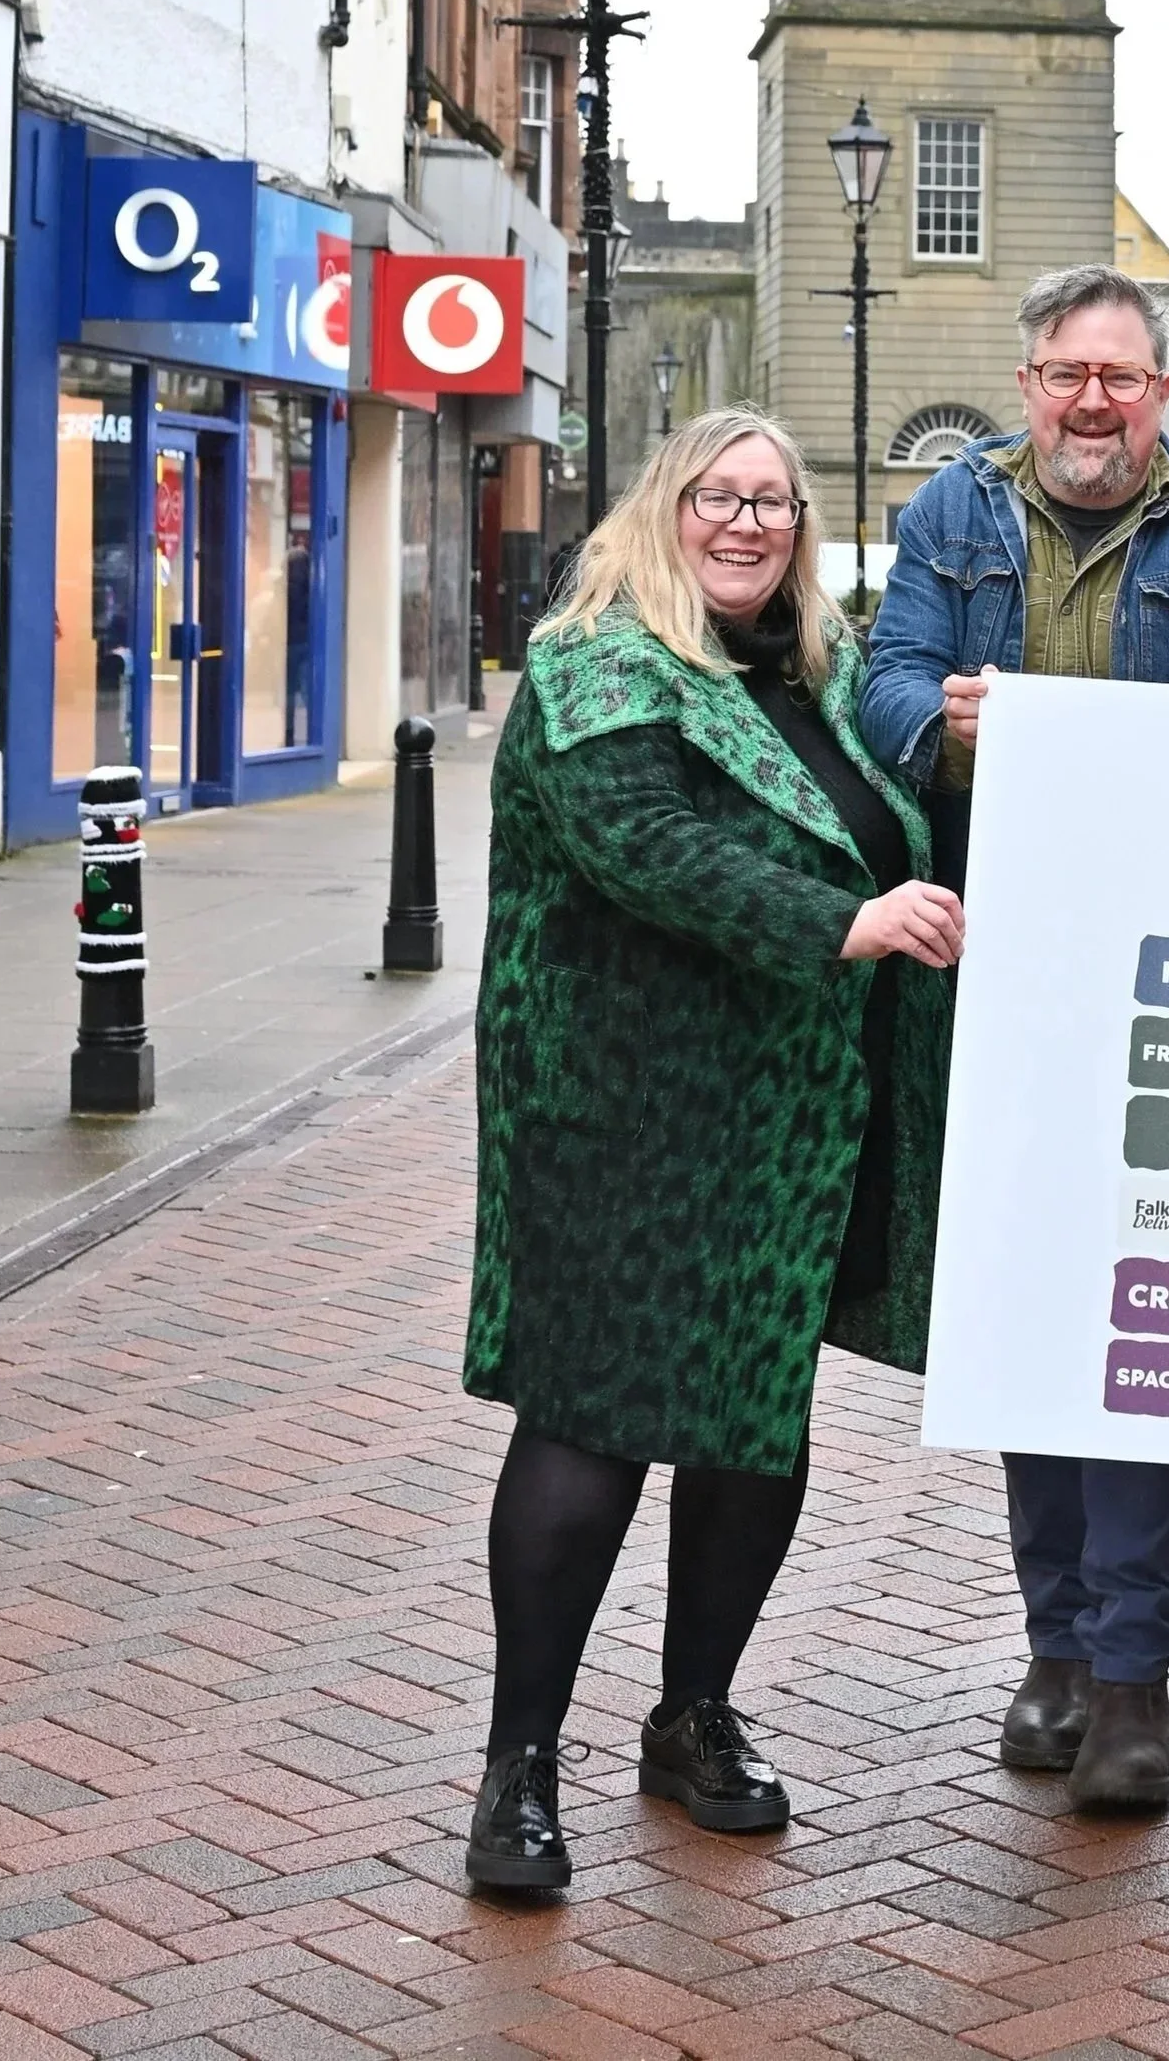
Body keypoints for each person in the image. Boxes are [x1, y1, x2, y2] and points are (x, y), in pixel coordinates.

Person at [461, 411, 961, 1896]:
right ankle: (519, 1763)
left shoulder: (825, 667)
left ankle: (692, 1714)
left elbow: (915, 782)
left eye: (775, 502)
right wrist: (842, 923)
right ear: (662, 507)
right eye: (718, 496)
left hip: (793, 1121)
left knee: (754, 1415)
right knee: (592, 1424)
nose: (747, 523)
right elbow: (647, 847)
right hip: (622, 1113)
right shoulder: (596, 657)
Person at [862, 264, 1169, 1812]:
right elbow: (883, 676)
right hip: (988, 960)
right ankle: (1053, 1642)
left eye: (1120, 374)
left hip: (1156, 969)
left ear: (1160, 393)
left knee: (1145, 1326)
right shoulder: (947, 517)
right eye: (1063, 372)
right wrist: (940, 720)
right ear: (1029, 381)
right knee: (1029, 1312)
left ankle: (1133, 1669)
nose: (1090, 400)